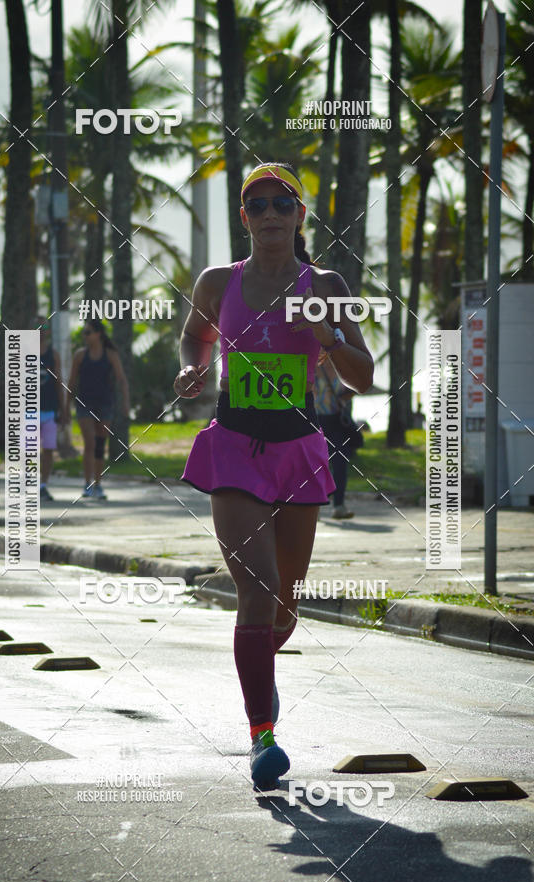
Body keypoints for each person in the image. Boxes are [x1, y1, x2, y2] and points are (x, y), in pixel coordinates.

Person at [173, 162, 373, 791]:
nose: (268, 215)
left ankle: (262, 659)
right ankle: (262, 736)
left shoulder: (327, 283)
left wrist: (329, 338)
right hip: (233, 446)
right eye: (255, 205)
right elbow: (194, 337)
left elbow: (362, 375)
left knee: (284, 605)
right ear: (244, 218)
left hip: (296, 450)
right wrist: (193, 369)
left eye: (280, 204)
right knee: (255, 590)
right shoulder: (215, 282)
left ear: (298, 216)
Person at [67, 319, 129, 500]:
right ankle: (87, 483)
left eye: (88, 332)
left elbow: (121, 379)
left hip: (105, 404)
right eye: (84, 333)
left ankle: (98, 485)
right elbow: (71, 382)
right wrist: (65, 407)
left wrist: (125, 403)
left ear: (98, 334)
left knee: (100, 445)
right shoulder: (80, 355)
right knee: (90, 443)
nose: (85, 336)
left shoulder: (110, 355)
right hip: (84, 404)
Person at [314, 357, 360, 519]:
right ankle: (314, 506)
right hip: (315, 421)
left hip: (337, 421)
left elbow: (359, 384)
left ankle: (338, 506)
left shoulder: (341, 367)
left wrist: (344, 397)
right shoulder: (310, 366)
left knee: (340, 464)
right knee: (315, 465)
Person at [36, 317, 68, 502]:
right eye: (37, 326)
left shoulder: (52, 354)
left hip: (49, 409)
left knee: (48, 449)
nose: (40, 330)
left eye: (44, 326)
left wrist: (63, 410)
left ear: (47, 331)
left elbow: (59, 382)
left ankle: (43, 485)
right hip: (29, 410)